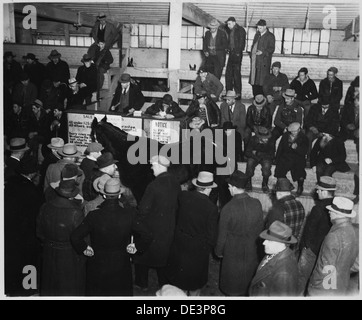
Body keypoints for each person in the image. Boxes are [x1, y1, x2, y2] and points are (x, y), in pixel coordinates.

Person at [71, 178, 149, 296]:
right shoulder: (129, 214)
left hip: (98, 265)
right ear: (119, 196)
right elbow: (148, 235)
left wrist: (84, 248)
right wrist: (136, 246)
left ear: (104, 195)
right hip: (121, 266)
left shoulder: (94, 215)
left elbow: (75, 236)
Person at [166, 171, 218, 296]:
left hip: (180, 245)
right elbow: (211, 237)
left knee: (180, 283)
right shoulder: (211, 208)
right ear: (209, 189)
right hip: (197, 250)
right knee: (195, 286)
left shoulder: (183, 197)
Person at [133, 155, 181, 290]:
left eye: (153, 165)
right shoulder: (175, 182)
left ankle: (141, 284)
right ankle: (164, 285)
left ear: (159, 166)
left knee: (142, 255)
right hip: (168, 228)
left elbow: (143, 210)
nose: (151, 168)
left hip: (152, 229)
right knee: (163, 258)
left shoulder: (153, 185)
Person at [215, 170, 264, 296]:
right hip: (251, 251)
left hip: (232, 253)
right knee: (247, 284)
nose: (228, 188)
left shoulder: (228, 208)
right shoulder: (257, 203)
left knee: (232, 286)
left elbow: (221, 237)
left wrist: (218, 252)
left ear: (234, 188)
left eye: (229, 186)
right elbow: (260, 230)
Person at [37, 178, 86, 296]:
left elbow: (39, 233)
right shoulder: (76, 211)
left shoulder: (45, 206)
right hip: (69, 254)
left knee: (50, 285)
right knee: (68, 287)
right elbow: (80, 238)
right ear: (72, 195)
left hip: (49, 250)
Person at [4, 157, 43, 296]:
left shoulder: (10, 184)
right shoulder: (31, 191)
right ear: (32, 174)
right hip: (26, 236)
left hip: (10, 233)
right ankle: (28, 288)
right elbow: (36, 216)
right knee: (29, 264)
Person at [308, 197, 358, 296]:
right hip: (342, 285)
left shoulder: (334, 235)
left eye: (331, 211)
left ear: (337, 214)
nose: (329, 213)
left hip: (324, 290)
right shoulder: (353, 231)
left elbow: (326, 269)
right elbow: (353, 264)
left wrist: (314, 287)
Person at [298, 176, 336, 295]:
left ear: (324, 192)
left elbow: (309, 231)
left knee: (300, 279)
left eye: (319, 190)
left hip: (311, 251)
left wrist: (305, 249)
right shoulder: (336, 206)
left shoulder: (317, 208)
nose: (317, 192)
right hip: (325, 251)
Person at [249, 221, 299, 296]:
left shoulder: (284, 274)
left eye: (269, 240)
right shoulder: (274, 253)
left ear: (281, 243)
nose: (264, 243)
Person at [265, 178, 306, 250]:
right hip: (293, 246)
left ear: (278, 193)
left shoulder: (277, 208)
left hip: (278, 247)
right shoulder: (300, 205)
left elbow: (270, 232)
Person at [274, 122, 308, 196]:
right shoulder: (285, 136)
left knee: (300, 172)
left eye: (295, 131)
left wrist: (297, 148)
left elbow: (305, 151)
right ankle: (286, 185)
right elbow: (280, 148)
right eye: (292, 131)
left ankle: (300, 187)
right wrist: (277, 159)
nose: (294, 133)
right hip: (286, 157)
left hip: (298, 158)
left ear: (299, 130)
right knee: (280, 170)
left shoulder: (304, 137)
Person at [304, 96, 340, 164]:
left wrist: (324, 133)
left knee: (327, 140)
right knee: (308, 136)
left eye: (326, 105)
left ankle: (323, 160)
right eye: (322, 105)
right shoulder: (314, 108)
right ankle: (308, 157)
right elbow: (308, 120)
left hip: (327, 131)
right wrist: (312, 127)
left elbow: (335, 125)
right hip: (314, 130)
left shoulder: (334, 111)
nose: (324, 107)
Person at [249, 19, 276, 97]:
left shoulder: (270, 36)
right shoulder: (257, 35)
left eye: (260, 28)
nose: (258, 29)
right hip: (256, 62)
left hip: (264, 62)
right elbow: (253, 45)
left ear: (265, 27)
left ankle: (262, 98)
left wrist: (263, 52)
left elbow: (272, 49)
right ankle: (256, 97)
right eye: (258, 27)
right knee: (254, 81)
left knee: (262, 81)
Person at [245, 126, 275, 193]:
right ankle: (248, 182)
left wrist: (258, 153)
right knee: (250, 163)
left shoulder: (271, 140)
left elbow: (272, 154)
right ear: (259, 137)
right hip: (254, 157)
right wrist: (257, 157)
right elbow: (247, 152)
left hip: (265, 157)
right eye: (264, 138)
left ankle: (264, 183)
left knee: (267, 166)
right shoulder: (253, 139)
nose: (266, 139)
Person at [224, 16, 246, 99]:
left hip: (237, 54)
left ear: (234, 22)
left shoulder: (240, 30)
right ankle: (229, 93)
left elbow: (242, 43)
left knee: (236, 74)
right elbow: (231, 42)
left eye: (229, 24)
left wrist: (237, 52)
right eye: (227, 24)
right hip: (231, 54)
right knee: (228, 74)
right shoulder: (231, 31)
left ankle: (238, 93)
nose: (228, 25)